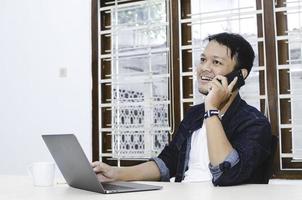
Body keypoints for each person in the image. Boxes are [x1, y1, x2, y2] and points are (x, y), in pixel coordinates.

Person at [92, 32, 272, 186]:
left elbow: (226, 173)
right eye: (203, 60)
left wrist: (211, 108)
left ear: (239, 75)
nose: (204, 68)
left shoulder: (254, 124)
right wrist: (116, 174)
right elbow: (167, 162)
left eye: (216, 62)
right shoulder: (194, 115)